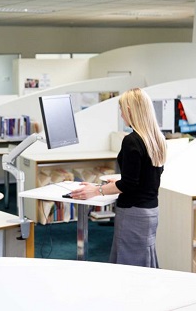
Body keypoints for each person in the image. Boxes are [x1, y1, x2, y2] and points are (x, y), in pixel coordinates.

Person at [70, 87, 167, 268]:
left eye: (122, 110)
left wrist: (95, 190)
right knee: (145, 264)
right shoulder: (156, 138)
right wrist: (118, 182)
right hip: (150, 211)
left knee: (128, 268)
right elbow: (149, 177)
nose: (121, 115)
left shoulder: (132, 140)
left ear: (131, 110)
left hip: (133, 213)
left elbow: (130, 184)